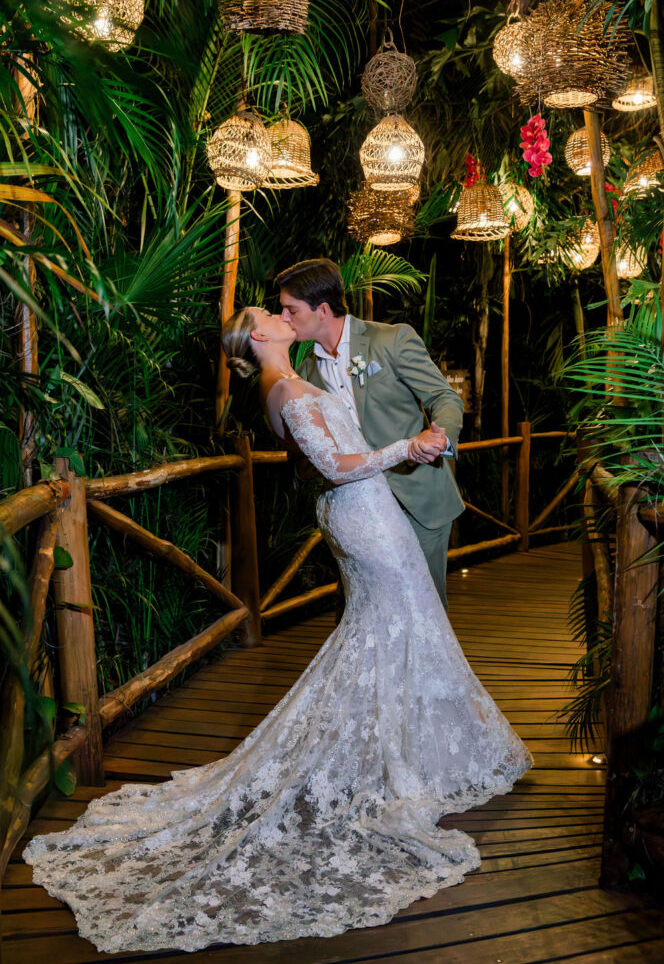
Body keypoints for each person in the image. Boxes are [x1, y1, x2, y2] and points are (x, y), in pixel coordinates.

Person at [22, 306, 532, 954]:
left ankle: (416, 750)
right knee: (389, 626)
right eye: (270, 313)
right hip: (362, 513)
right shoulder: (285, 391)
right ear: (260, 337)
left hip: (370, 512)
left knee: (400, 626)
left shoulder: (290, 383)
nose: (279, 313)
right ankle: (375, 759)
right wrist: (406, 447)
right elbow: (337, 464)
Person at [277, 258, 464, 610]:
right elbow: (307, 454)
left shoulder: (392, 339)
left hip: (417, 499)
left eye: (290, 309)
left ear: (322, 310)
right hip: (360, 514)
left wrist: (441, 437)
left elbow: (443, 398)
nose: (284, 318)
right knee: (368, 610)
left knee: (426, 612)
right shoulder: (303, 375)